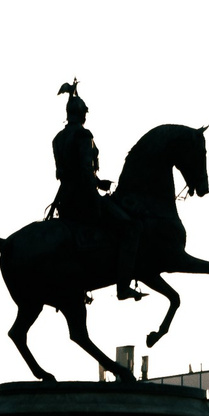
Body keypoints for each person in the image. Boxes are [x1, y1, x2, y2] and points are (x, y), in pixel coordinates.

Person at [49, 81, 140, 300]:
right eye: (85, 113)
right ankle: (123, 286)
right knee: (130, 227)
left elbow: (62, 172)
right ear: (81, 114)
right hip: (85, 199)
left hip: (65, 201)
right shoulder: (83, 136)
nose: (86, 117)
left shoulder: (58, 139)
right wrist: (99, 184)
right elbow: (83, 169)